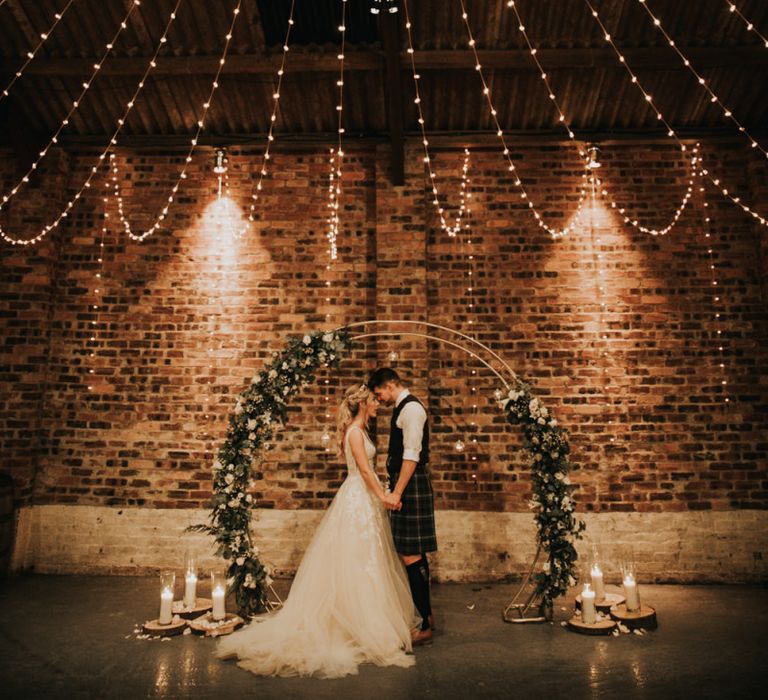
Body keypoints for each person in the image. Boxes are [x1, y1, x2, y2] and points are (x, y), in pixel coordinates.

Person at [215, 384, 418, 679]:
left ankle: (366, 621)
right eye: (373, 401)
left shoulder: (359, 432)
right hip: (359, 498)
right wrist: (384, 496)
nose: (377, 405)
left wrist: (380, 493)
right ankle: (359, 626)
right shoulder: (355, 433)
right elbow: (363, 471)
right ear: (362, 403)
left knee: (366, 560)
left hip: (363, 500)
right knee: (359, 560)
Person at [368, 368, 437, 646]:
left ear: (391, 384)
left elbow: (412, 455)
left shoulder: (411, 410)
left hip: (411, 484)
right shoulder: (402, 408)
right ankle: (426, 617)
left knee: (410, 555)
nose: (379, 399)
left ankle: (425, 625)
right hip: (406, 483)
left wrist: (397, 491)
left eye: (379, 392)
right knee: (412, 554)